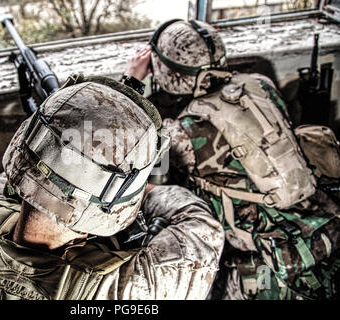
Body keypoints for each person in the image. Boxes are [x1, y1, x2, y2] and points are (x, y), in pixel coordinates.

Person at [0, 74, 225, 300]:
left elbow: (20, 177)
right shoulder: (136, 288)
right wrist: (143, 193)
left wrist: (74, 128)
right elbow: (202, 227)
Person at [122, 18, 340, 300]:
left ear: (167, 73)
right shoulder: (261, 85)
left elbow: (125, 145)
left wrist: (131, 81)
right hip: (307, 211)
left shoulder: (182, 133)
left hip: (251, 247)